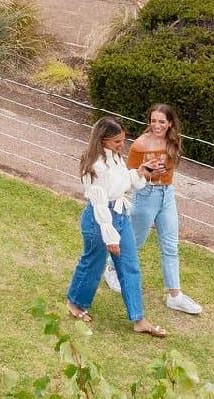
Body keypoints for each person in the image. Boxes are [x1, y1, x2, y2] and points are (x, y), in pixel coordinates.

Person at [66, 116, 168, 337]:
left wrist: (141, 172)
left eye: (123, 140)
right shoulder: (94, 166)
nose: (122, 145)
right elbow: (100, 202)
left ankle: (138, 319)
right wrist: (110, 235)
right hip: (99, 219)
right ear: (102, 140)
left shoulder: (116, 158)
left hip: (120, 216)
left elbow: (123, 184)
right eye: (116, 142)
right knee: (93, 263)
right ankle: (75, 302)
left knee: (130, 266)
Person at [103, 104, 204, 315]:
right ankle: (111, 268)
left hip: (167, 195)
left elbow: (169, 169)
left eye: (161, 121)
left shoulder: (172, 142)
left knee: (170, 245)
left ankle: (175, 296)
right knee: (134, 242)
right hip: (146, 195)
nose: (157, 125)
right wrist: (148, 172)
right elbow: (128, 174)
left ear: (170, 123)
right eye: (153, 120)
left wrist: (162, 170)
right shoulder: (139, 145)